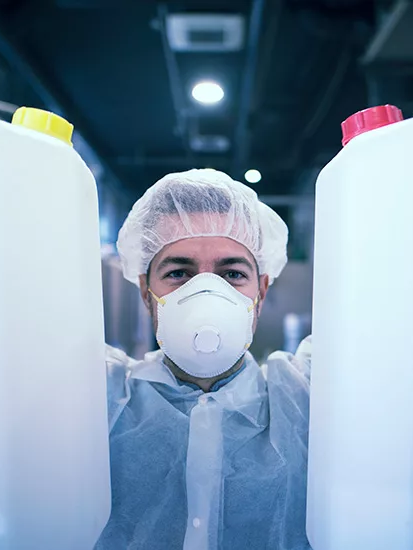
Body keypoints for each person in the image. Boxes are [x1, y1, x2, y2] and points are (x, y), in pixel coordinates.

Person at [96, 168, 312, 550]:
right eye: (179, 272)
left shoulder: (304, 399)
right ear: (146, 291)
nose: (208, 293)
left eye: (232, 273)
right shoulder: (98, 401)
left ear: (260, 291)